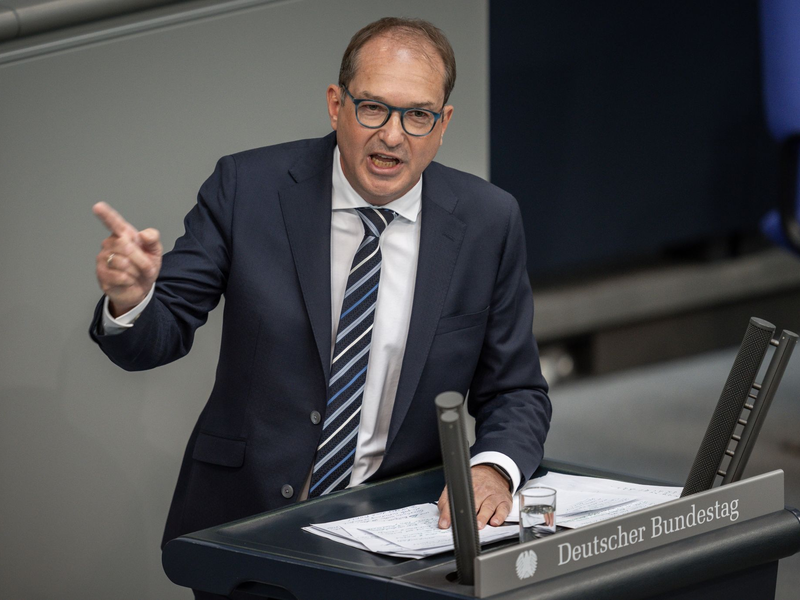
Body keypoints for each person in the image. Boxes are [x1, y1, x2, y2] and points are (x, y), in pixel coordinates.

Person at [90, 16, 551, 587]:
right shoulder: (248, 188)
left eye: (417, 115)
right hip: (246, 527)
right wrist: (133, 300)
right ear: (336, 104)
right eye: (373, 108)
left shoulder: (488, 221)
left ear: (443, 123)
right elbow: (156, 338)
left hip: (396, 537)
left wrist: (493, 469)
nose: (393, 136)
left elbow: (516, 390)